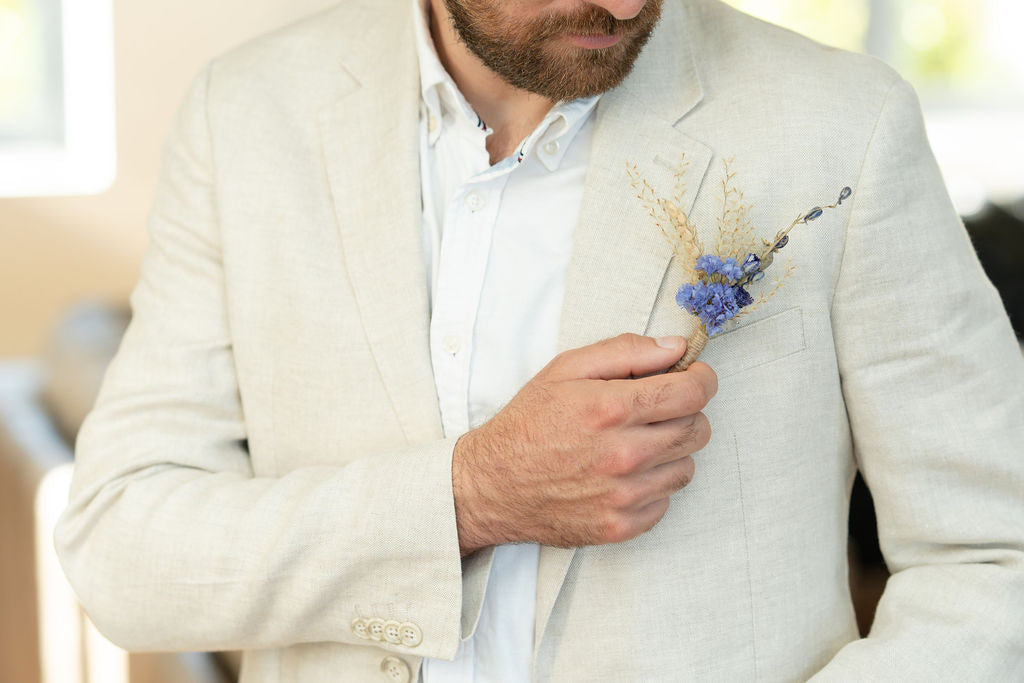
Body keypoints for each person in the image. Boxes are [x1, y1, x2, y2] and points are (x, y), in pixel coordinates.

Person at [55, 0, 1024, 681]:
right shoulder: (244, 117)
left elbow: (996, 556)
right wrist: (471, 492)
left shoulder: (841, 126)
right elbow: (120, 549)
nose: (623, 4)